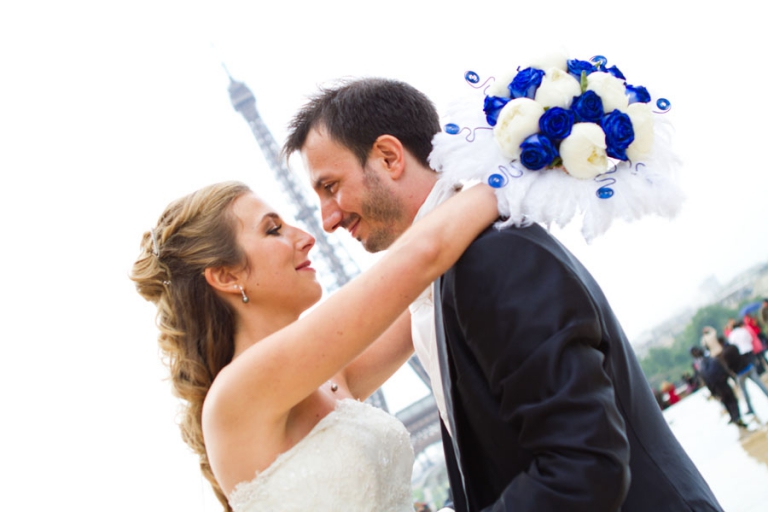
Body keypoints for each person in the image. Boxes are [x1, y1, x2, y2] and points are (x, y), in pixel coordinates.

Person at [284, 77, 723, 511]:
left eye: (331, 187)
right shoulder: (451, 272)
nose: (327, 220)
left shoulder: (491, 258)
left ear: (388, 157)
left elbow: (584, 467)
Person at [130, 181, 498, 511]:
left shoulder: (331, 377)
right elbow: (425, 255)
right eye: (273, 230)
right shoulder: (238, 391)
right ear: (226, 276)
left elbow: (423, 289)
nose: (308, 237)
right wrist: (507, 173)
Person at [690, 346, 746, 428]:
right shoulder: (712, 360)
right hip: (722, 383)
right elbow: (723, 370)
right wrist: (730, 378)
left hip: (717, 386)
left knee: (726, 401)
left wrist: (712, 391)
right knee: (731, 400)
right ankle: (736, 416)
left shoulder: (701, 367)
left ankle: (734, 416)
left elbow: (706, 380)